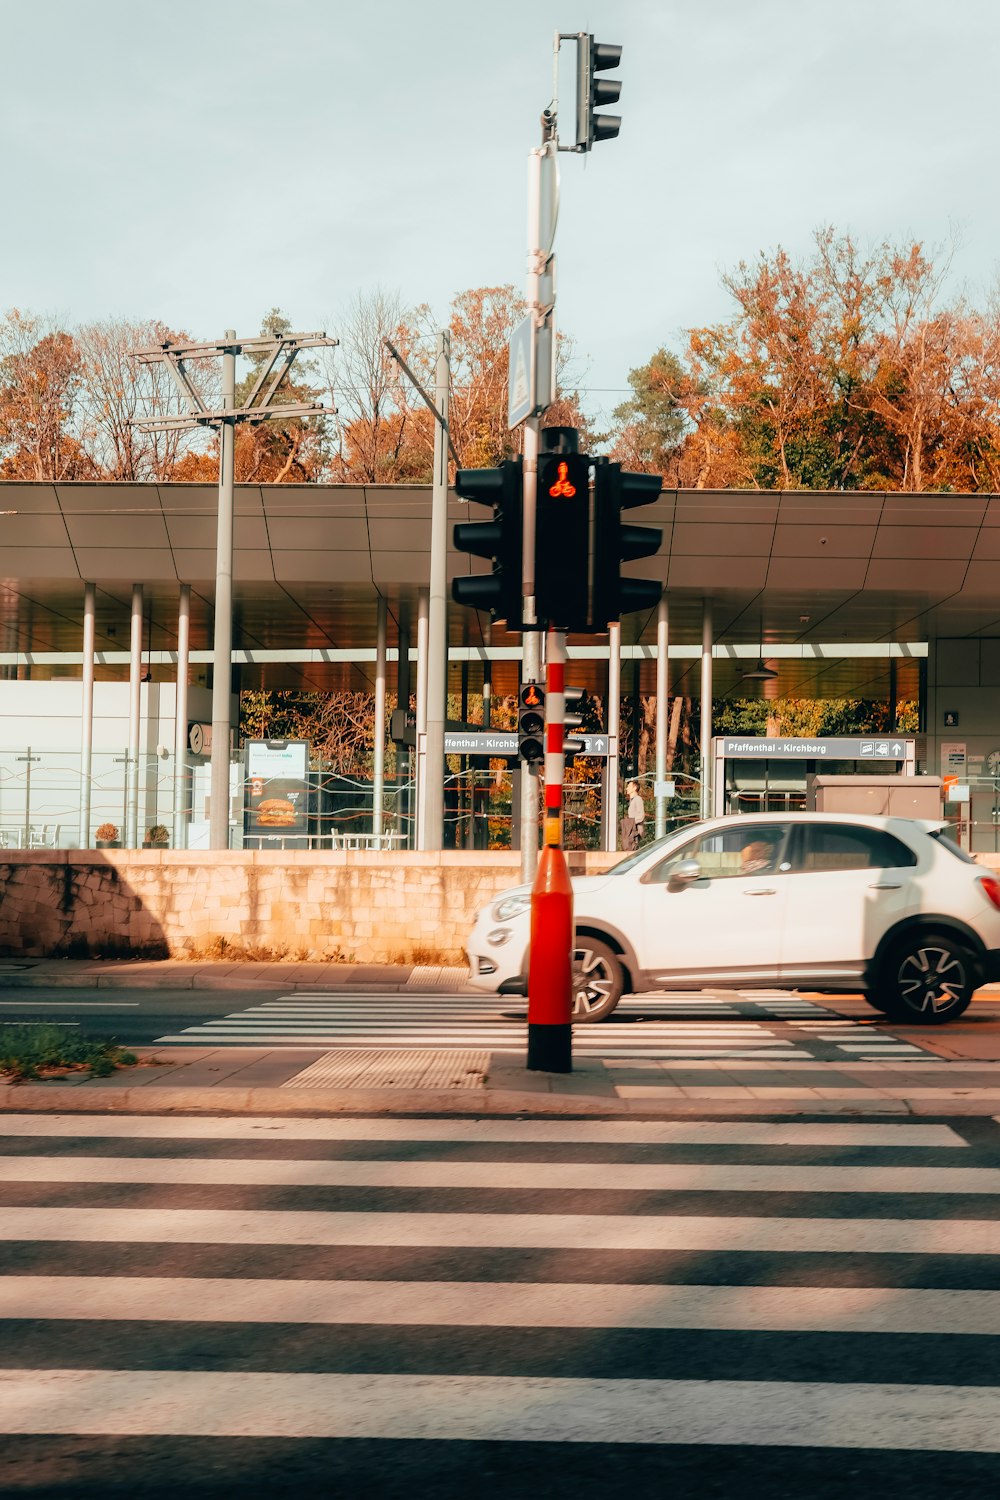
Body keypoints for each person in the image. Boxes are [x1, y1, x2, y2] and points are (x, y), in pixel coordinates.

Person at [620, 780, 646, 851]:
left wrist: (631, 822)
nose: (626, 789)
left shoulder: (638, 799)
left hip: (636, 832)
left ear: (634, 788)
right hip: (632, 831)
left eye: (628, 787)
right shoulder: (633, 800)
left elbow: (641, 815)